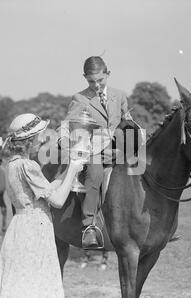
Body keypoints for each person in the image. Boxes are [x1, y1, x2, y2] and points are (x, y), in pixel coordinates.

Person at [0, 113, 85, 298]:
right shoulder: (29, 166)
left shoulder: (12, 165)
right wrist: (74, 169)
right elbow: (57, 200)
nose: (42, 138)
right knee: (37, 283)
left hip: (19, 227)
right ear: (29, 140)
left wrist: (66, 170)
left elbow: (46, 189)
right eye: (39, 134)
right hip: (35, 229)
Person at [58, 56, 135, 249]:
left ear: (108, 74)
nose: (96, 85)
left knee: (145, 170)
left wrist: (128, 143)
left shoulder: (120, 95)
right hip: (92, 151)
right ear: (85, 77)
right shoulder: (80, 98)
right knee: (95, 174)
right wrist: (63, 141)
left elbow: (128, 122)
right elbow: (68, 125)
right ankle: (89, 227)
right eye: (91, 81)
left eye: (100, 80)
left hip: (119, 149)